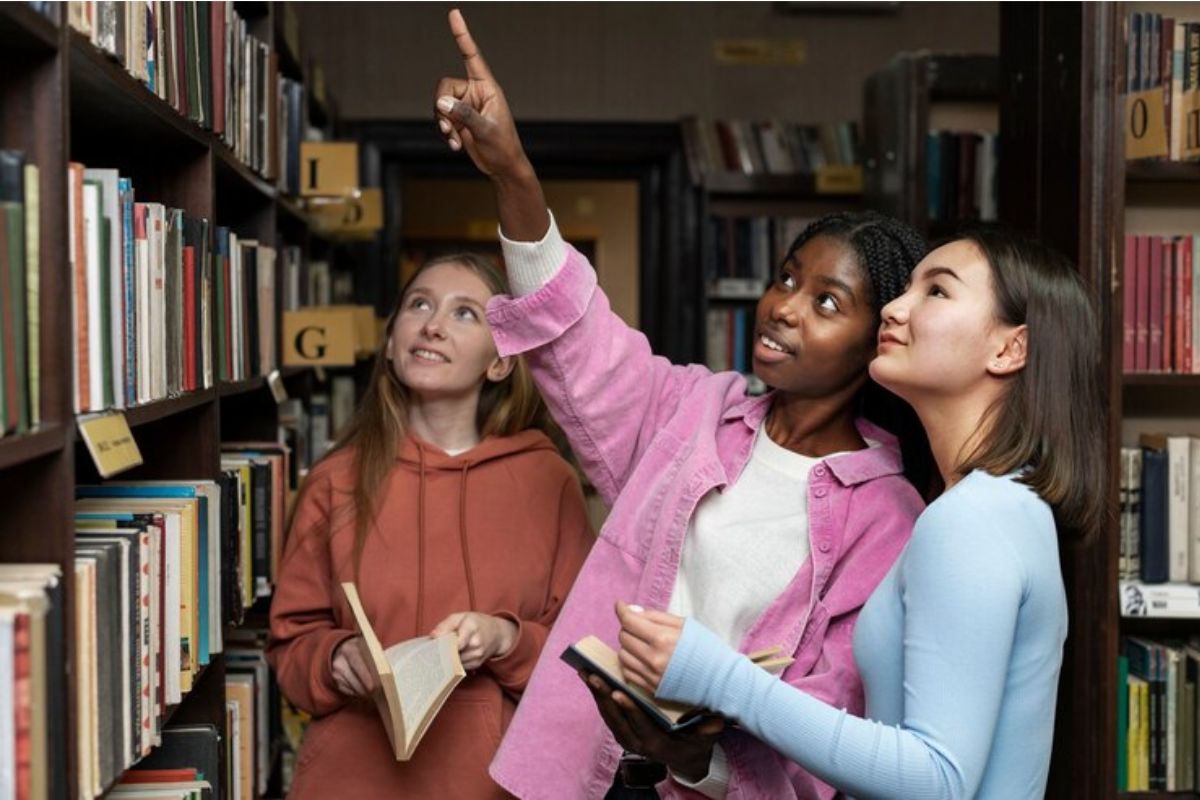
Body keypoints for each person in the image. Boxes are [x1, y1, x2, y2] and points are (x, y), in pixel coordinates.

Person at [433, 11, 932, 799]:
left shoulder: (888, 515)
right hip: (588, 774)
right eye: (788, 278)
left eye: (828, 303)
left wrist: (696, 761)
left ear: (882, 338)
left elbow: (835, 720)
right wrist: (513, 174)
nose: (785, 307)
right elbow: (577, 338)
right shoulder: (696, 411)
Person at [615, 230, 1104, 799]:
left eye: (938, 292)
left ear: (1008, 350)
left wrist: (720, 676)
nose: (895, 308)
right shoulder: (1002, 504)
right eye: (908, 289)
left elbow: (936, 779)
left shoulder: (972, 519)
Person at [266, 252, 594, 798]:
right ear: (392, 342)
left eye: (466, 314)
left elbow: (583, 655)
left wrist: (504, 638)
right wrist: (334, 658)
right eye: (419, 305)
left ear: (500, 362)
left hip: (493, 781)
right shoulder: (334, 480)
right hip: (347, 780)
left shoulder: (548, 480)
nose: (433, 325)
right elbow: (291, 643)